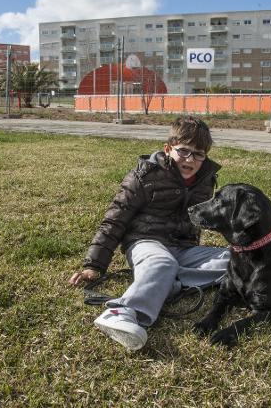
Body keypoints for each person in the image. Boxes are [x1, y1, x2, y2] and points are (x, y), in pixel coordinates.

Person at [69, 116, 230, 351]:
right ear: (168, 148)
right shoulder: (143, 175)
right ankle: (121, 312)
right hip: (145, 242)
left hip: (183, 248)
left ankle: (166, 282)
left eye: (198, 154)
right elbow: (115, 219)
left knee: (235, 260)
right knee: (162, 263)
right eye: (183, 151)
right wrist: (94, 265)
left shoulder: (207, 179)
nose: (190, 159)